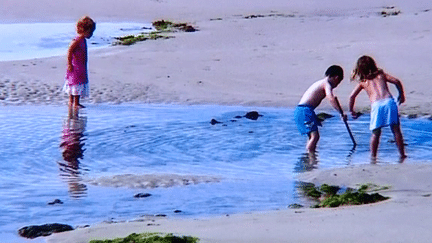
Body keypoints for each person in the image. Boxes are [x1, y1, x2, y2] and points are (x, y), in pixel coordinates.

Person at [349, 55, 406, 159]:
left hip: (377, 105)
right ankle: (402, 155)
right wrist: (401, 95)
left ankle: (373, 156)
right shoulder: (381, 75)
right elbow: (397, 81)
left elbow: (352, 96)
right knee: (396, 130)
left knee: (375, 133)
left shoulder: (363, 82)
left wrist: (351, 110)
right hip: (389, 102)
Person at [294, 65, 347, 153]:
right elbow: (331, 98)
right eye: (338, 82)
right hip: (304, 110)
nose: (337, 85)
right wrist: (341, 113)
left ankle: (310, 156)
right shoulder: (326, 84)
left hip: (305, 110)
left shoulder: (322, 82)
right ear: (336, 78)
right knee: (315, 136)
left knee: (312, 136)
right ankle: (310, 156)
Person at [63, 16, 96, 108]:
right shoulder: (77, 40)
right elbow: (70, 50)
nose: (91, 34)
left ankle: (73, 102)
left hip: (81, 66)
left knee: (77, 83)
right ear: (84, 30)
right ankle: (74, 102)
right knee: (75, 83)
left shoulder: (82, 40)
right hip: (75, 66)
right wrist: (69, 63)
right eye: (90, 32)